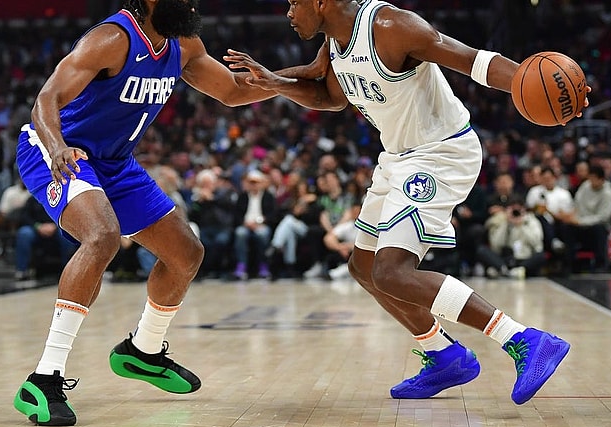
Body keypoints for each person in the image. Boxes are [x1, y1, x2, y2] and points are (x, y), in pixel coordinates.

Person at [225, 0, 588, 404]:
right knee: (363, 267)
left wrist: (539, 83)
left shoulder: (392, 26)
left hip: (441, 152)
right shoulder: (334, 40)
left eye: (294, 2)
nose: (289, 12)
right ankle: (444, 354)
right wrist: (276, 84)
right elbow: (331, 97)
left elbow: (475, 61)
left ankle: (524, 339)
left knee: (392, 271)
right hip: (398, 156)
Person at [13, 0, 324, 426]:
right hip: (58, 149)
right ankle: (44, 378)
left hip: (114, 161)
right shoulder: (110, 39)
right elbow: (45, 99)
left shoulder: (185, 44)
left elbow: (233, 91)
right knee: (102, 236)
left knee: (186, 253)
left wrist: (295, 75)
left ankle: (143, 349)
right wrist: (57, 147)